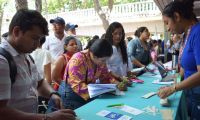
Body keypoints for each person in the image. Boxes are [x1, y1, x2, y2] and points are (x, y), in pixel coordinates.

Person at [0, 9, 76, 120]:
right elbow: (1, 111)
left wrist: (53, 94)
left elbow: (39, 83)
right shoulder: (3, 61)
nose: (37, 45)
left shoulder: (27, 56)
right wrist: (47, 117)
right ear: (16, 32)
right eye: (34, 38)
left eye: (39, 39)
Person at [157, 0, 200, 119]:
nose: (167, 29)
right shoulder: (187, 35)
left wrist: (173, 88)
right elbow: (185, 68)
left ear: (176, 17)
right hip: (190, 94)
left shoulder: (198, 33)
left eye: (167, 23)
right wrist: (173, 81)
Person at [57, 39, 127, 110]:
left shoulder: (100, 60)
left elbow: (105, 76)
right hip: (72, 95)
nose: (104, 63)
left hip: (90, 91)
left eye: (106, 60)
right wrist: (101, 90)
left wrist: (117, 84)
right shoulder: (77, 60)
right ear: (93, 55)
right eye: (103, 60)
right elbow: (77, 86)